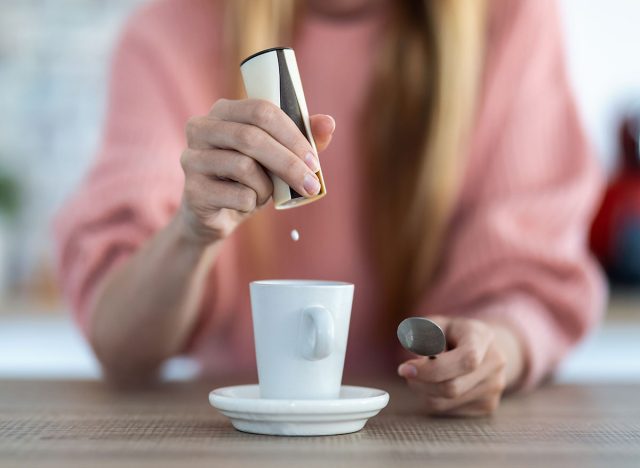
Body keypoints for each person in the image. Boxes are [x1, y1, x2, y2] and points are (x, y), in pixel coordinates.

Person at [55, 0, 605, 416]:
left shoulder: (510, 21)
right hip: (237, 432)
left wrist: (492, 349)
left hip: (428, 430)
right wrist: (190, 231)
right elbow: (121, 343)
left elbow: (530, 282)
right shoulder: (171, 30)